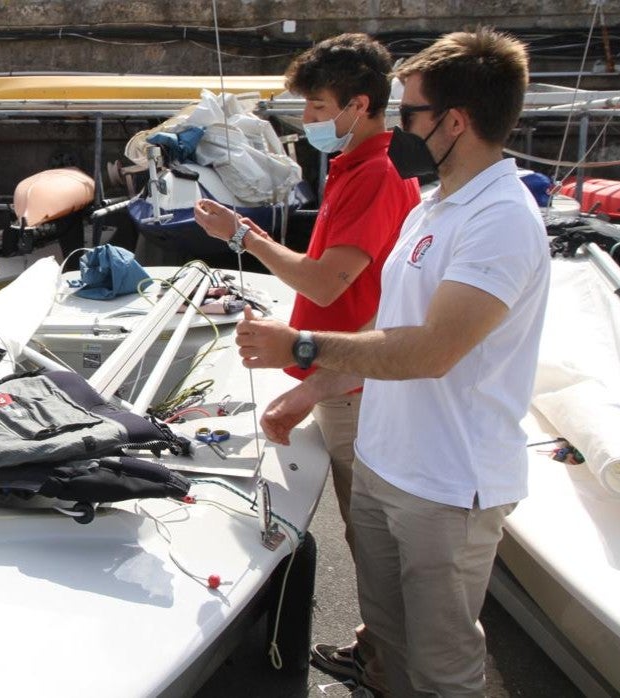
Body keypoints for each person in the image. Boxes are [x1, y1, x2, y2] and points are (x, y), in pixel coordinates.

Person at [234, 28, 548, 697]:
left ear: (454, 122)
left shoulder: (500, 220)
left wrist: (302, 347)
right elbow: (386, 331)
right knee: (392, 646)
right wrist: (308, 389)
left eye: (408, 113)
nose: (397, 125)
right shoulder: (434, 205)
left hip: (446, 484)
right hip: (386, 463)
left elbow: (433, 351)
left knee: (443, 668)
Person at [195, 33, 419, 692]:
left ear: (359, 103)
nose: (310, 121)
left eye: (319, 107)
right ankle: (375, 650)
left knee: (372, 540)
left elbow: (325, 286)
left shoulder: (376, 174)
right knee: (367, 535)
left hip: (351, 383)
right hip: (349, 374)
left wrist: (241, 238)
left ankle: (387, 670)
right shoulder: (367, 165)